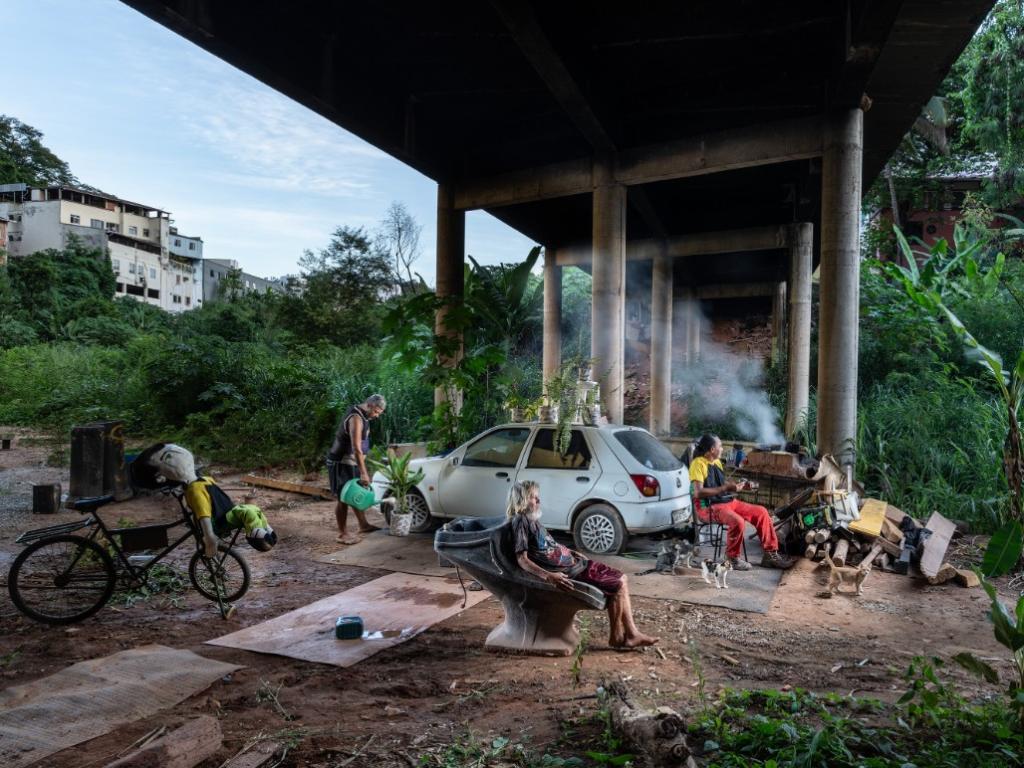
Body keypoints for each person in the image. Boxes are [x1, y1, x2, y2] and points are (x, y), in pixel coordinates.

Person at [507, 480, 658, 649]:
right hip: (569, 572)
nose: (538, 501)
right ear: (521, 501)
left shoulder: (532, 520)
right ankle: (617, 637)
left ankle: (631, 634)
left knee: (622, 578)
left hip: (576, 564)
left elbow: (549, 546)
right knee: (618, 584)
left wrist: (571, 552)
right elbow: (522, 559)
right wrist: (549, 576)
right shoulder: (521, 521)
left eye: (537, 497)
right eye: (533, 498)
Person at [689, 433, 793, 571]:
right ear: (712, 449)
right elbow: (698, 492)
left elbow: (719, 483)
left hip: (726, 502)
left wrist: (736, 486)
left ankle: (770, 554)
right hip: (708, 507)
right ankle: (732, 558)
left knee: (761, 512)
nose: (722, 448)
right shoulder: (698, 464)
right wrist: (725, 487)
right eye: (720, 446)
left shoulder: (717, 462)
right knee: (737, 521)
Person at [327, 394, 386, 544]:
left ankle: (363, 525)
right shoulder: (356, 418)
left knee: (356, 493)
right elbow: (356, 448)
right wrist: (364, 472)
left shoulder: (364, 416)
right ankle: (342, 533)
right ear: (370, 405)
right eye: (377, 412)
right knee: (343, 497)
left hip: (352, 462)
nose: (377, 416)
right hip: (341, 462)